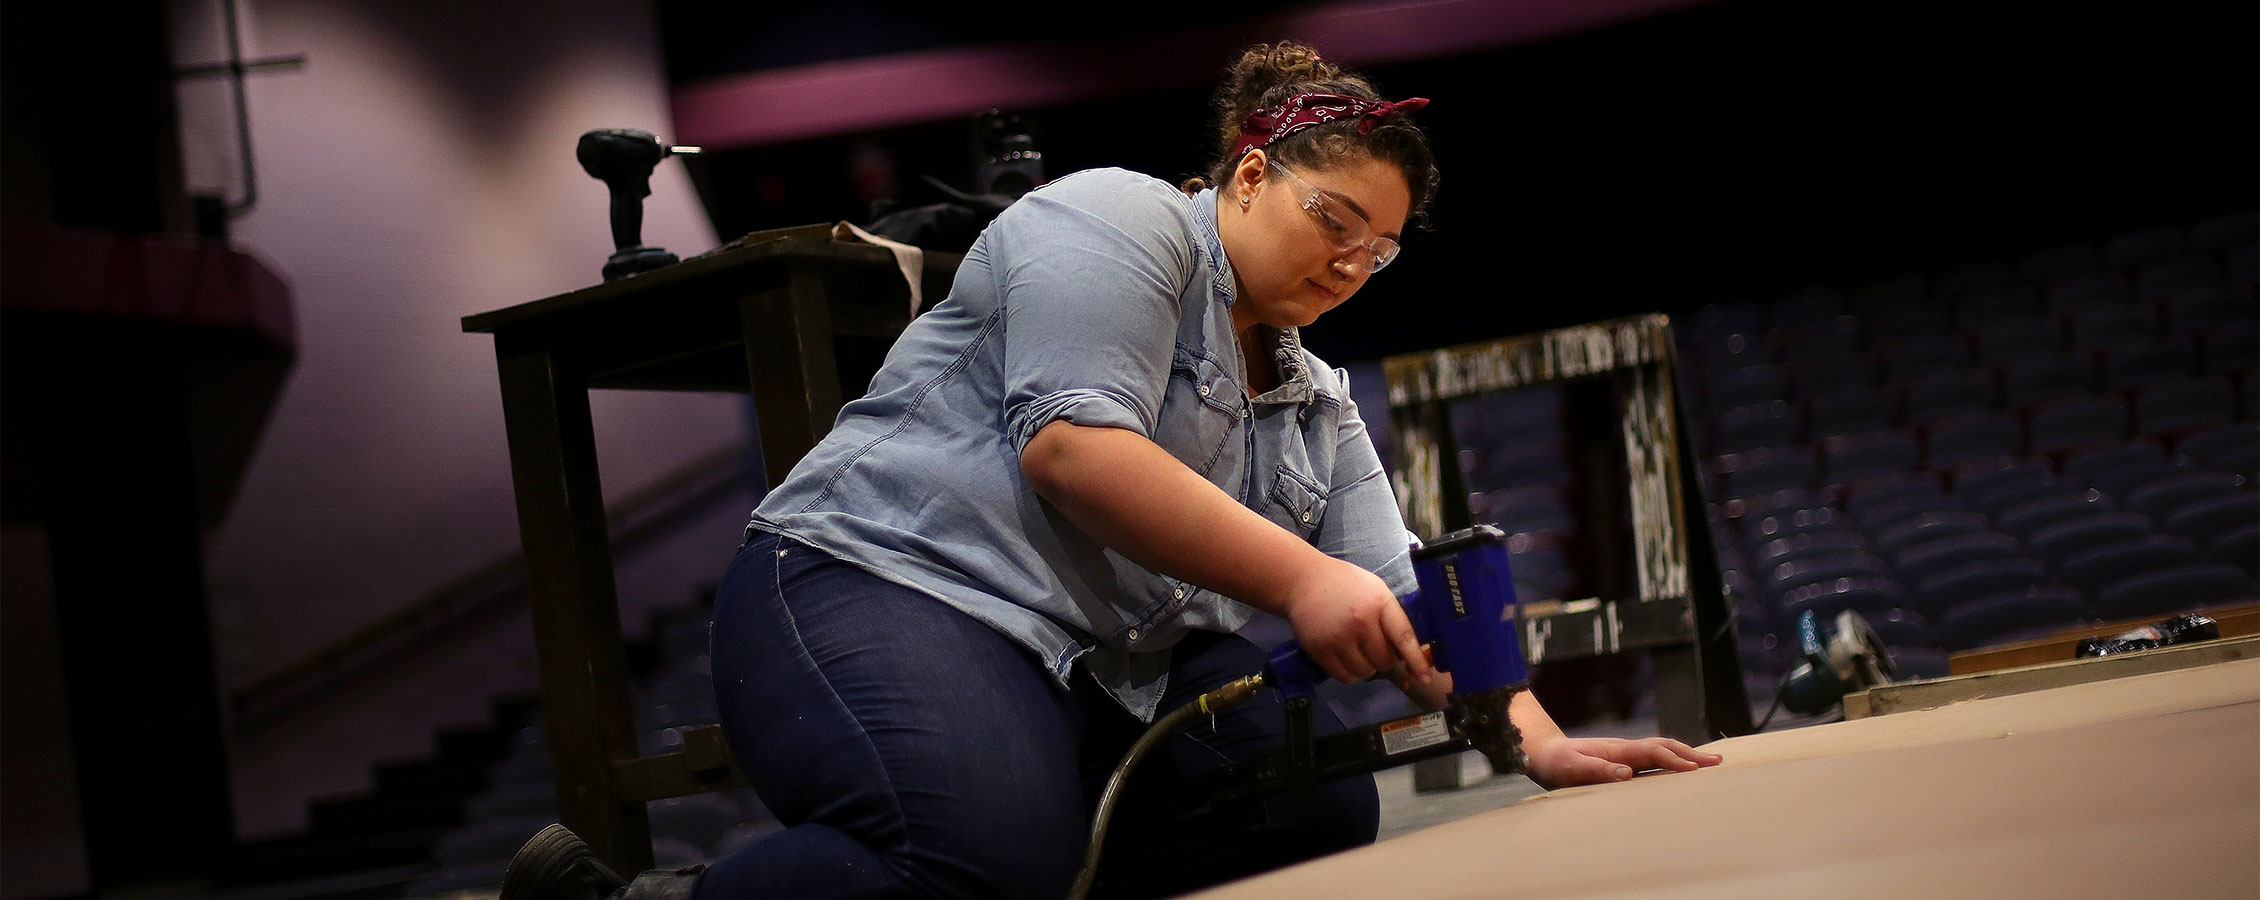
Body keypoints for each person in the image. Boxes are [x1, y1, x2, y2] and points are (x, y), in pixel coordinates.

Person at [502, 41, 1720, 900]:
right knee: (977, 863)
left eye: (1381, 251)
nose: (1352, 264)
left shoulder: (1315, 399)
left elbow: (1401, 595)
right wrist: (1300, 581)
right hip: (882, 585)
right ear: (1250, 176)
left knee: (1307, 807)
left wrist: (1531, 734)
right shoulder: (1114, 219)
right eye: (1334, 223)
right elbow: (1073, 451)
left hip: (1091, 667)